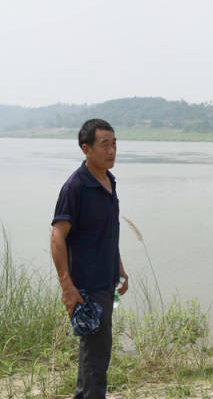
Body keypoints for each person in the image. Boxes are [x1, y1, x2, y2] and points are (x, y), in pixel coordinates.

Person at [50, 118, 129, 399]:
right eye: (104, 144)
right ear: (86, 149)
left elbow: (108, 231)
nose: (112, 150)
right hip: (86, 286)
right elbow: (57, 237)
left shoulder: (108, 181)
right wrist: (67, 286)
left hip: (105, 281)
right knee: (95, 356)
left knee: (97, 354)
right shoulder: (76, 187)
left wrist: (119, 269)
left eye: (114, 143)